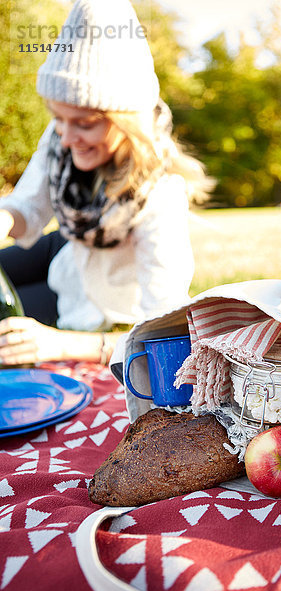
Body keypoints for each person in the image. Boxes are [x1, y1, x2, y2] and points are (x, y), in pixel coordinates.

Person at [0, 0, 211, 367]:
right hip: (65, 255)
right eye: (58, 118)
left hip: (106, 306)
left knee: (10, 337)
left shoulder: (161, 194)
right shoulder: (60, 139)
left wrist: (61, 345)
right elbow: (27, 210)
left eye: (84, 123)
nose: (66, 137)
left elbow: (167, 331)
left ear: (127, 119)